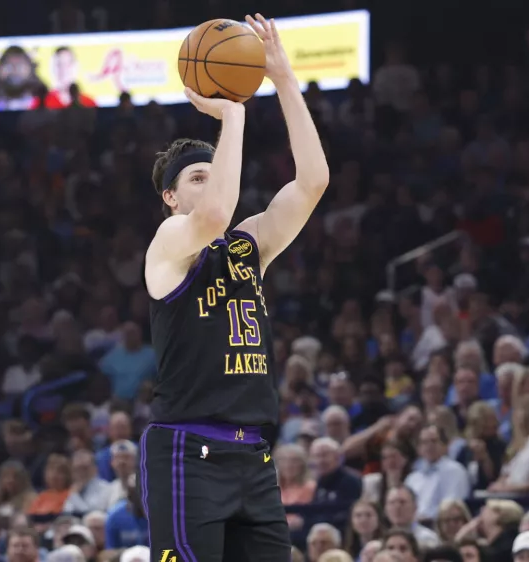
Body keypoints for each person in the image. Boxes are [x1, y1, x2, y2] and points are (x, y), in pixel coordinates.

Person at [140, 13, 329, 562]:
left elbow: (313, 182)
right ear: (171, 198)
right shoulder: (168, 243)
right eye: (195, 177)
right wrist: (233, 114)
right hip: (186, 450)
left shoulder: (250, 246)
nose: (209, 182)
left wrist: (284, 79)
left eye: (210, 172)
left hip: (254, 454)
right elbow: (216, 212)